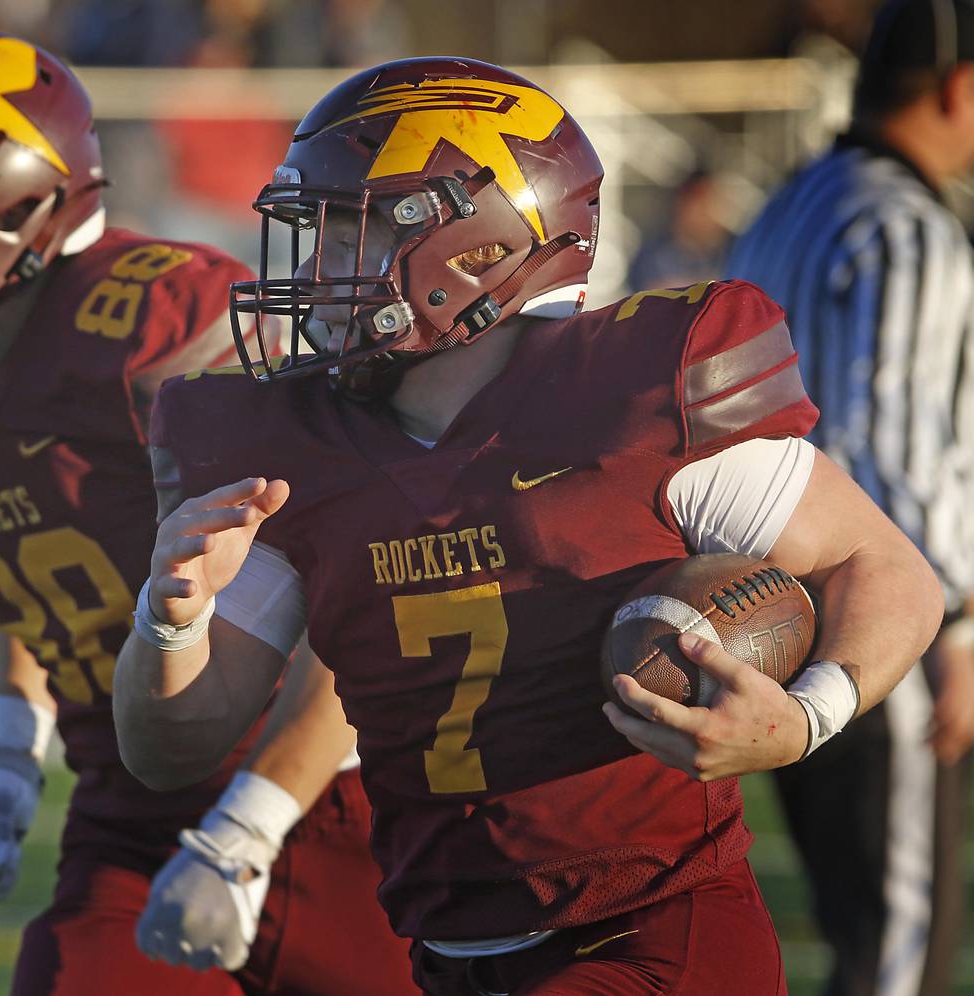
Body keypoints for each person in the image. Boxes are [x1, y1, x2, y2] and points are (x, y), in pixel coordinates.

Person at [113, 56, 947, 995]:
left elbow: (885, 568)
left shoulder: (633, 398)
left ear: (476, 246)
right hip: (450, 953)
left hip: (654, 936)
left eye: (348, 231)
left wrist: (805, 718)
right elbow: (169, 749)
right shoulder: (295, 448)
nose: (311, 271)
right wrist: (170, 615)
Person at [0, 28, 414, 995]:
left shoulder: (150, 326)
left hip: (331, 798)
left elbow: (363, 578)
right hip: (132, 803)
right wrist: (7, 750)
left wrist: (253, 826)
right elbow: (21, 561)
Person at [726, 2, 974, 993]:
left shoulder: (787, 203)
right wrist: (953, 627)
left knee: (851, 926)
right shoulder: (908, 228)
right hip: (877, 628)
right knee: (899, 946)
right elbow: (896, 448)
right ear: (959, 89)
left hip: (769, 617)